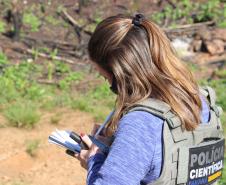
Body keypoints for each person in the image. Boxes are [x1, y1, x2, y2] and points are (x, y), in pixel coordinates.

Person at [72, 13, 224, 185]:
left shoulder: (139, 124)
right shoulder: (201, 100)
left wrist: (95, 159)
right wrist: (120, 149)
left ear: (120, 75)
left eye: (106, 79)